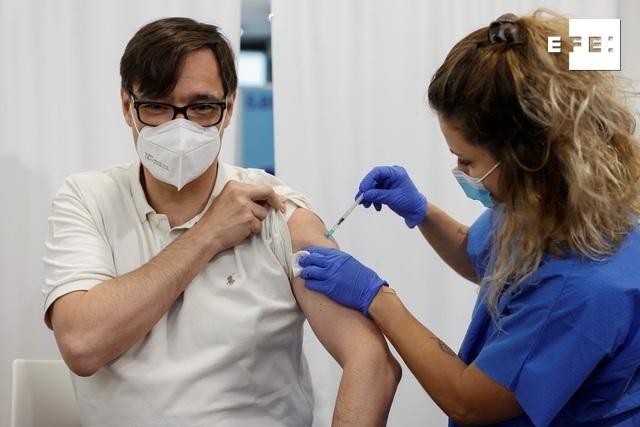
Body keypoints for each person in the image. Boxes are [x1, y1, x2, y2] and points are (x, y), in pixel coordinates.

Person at [42, 17, 400, 426]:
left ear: (228, 108)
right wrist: (207, 233)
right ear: (127, 106)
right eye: (157, 106)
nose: (180, 128)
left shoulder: (278, 211)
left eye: (201, 107)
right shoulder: (87, 199)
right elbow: (82, 345)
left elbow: (372, 364)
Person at [299, 11, 640, 426]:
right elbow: (484, 259)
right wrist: (422, 211)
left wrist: (376, 297)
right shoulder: (542, 200)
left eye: (467, 160)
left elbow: (469, 402)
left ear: (527, 153)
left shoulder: (581, 284)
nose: (460, 172)